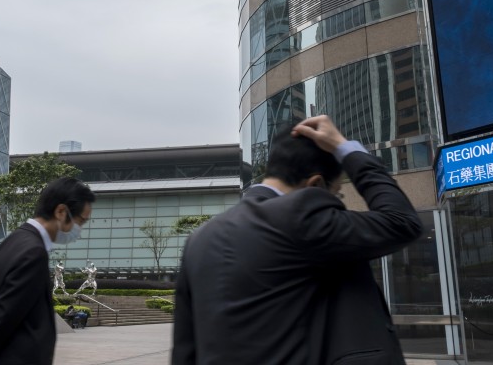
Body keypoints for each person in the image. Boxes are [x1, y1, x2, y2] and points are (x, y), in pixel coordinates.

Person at [172, 115, 422, 365]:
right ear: (315, 184)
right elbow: (402, 221)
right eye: (337, 193)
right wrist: (345, 148)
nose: (338, 203)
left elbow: (185, 350)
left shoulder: (200, 239)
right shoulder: (301, 215)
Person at [0, 177, 95, 365]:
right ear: (61, 211)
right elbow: (0, 321)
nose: (80, 230)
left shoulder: (14, 241)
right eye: (81, 221)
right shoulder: (33, 253)